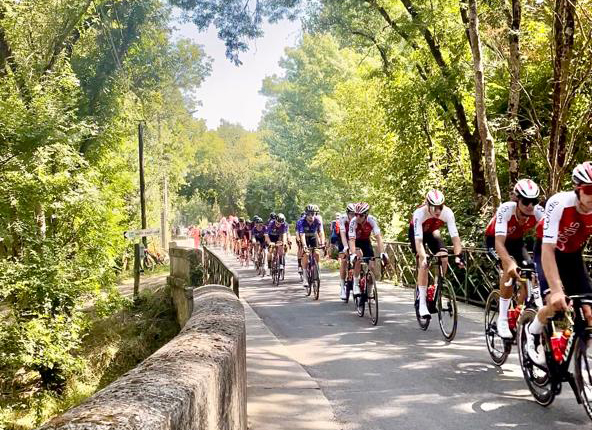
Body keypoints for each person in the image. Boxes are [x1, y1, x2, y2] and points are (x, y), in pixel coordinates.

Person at [525, 162, 592, 366]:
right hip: (548, 251)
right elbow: (547, 249)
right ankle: (533, 331)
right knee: (554, 305)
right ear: (577, 190)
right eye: (589, 190)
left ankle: (582, 365)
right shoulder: (560, 203)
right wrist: (555, 289)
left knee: (589, 313)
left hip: (573, 256)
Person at [485, 179, 543, 338]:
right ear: (517, 201)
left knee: (530, 271)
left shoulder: (538, 212)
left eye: (534, 201)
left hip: (516, 242)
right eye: (525, 201)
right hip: (495, 241)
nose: (530, 206)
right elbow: (499, 243)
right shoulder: (506, 209)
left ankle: (518, 311)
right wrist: (509, 263)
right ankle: (502, 319)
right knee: (509, 269)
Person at [410, 190, 463, 317]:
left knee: (444, 257)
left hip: (433, 232)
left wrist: (458, 256)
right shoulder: (419, 213)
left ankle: (437, 287)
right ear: (427, 205)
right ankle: (422, 302)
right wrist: (423, 257)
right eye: (434, 207)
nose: (438, 211)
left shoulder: (448, 213)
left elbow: (455, 238)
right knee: (424, 264)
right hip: (417, 234)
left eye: (440, 207)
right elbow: (419, 240)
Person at [348, 202, 388, 296]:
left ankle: (369, 289)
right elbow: (352, 240)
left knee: (372, 266)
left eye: (360, 215)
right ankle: (356, 284)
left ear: (366, 215)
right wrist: (353, 254)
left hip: (366, 241)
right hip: (356, 241)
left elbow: (378, 238)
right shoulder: (353, 222)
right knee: (358, 258)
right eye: (356, 214)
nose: (357, 217)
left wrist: (382, 252)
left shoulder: (372, 220)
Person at [299, 204, 325, 288]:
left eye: (313, 214)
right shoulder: (301, 222)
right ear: (306, 214)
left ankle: (316, 269)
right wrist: (304, 246)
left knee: (316, 253)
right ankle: (305, 277)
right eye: (309, 214)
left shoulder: (317, 220)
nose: (311, 216)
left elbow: (321, 232)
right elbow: (302, 235)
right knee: (306, 254)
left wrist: (322, 242)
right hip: (305, 237)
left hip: (313, 236)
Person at [337, 204, 356, 300]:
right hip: (343, 238)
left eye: (355, 214)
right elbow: (343, 234)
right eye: (352, 214)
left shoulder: (357, 218)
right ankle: (342, 288)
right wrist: (345, 247)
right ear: (347, 214)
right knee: (344, 260)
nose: (354, 216)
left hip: (354, 238)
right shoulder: (342, 218)